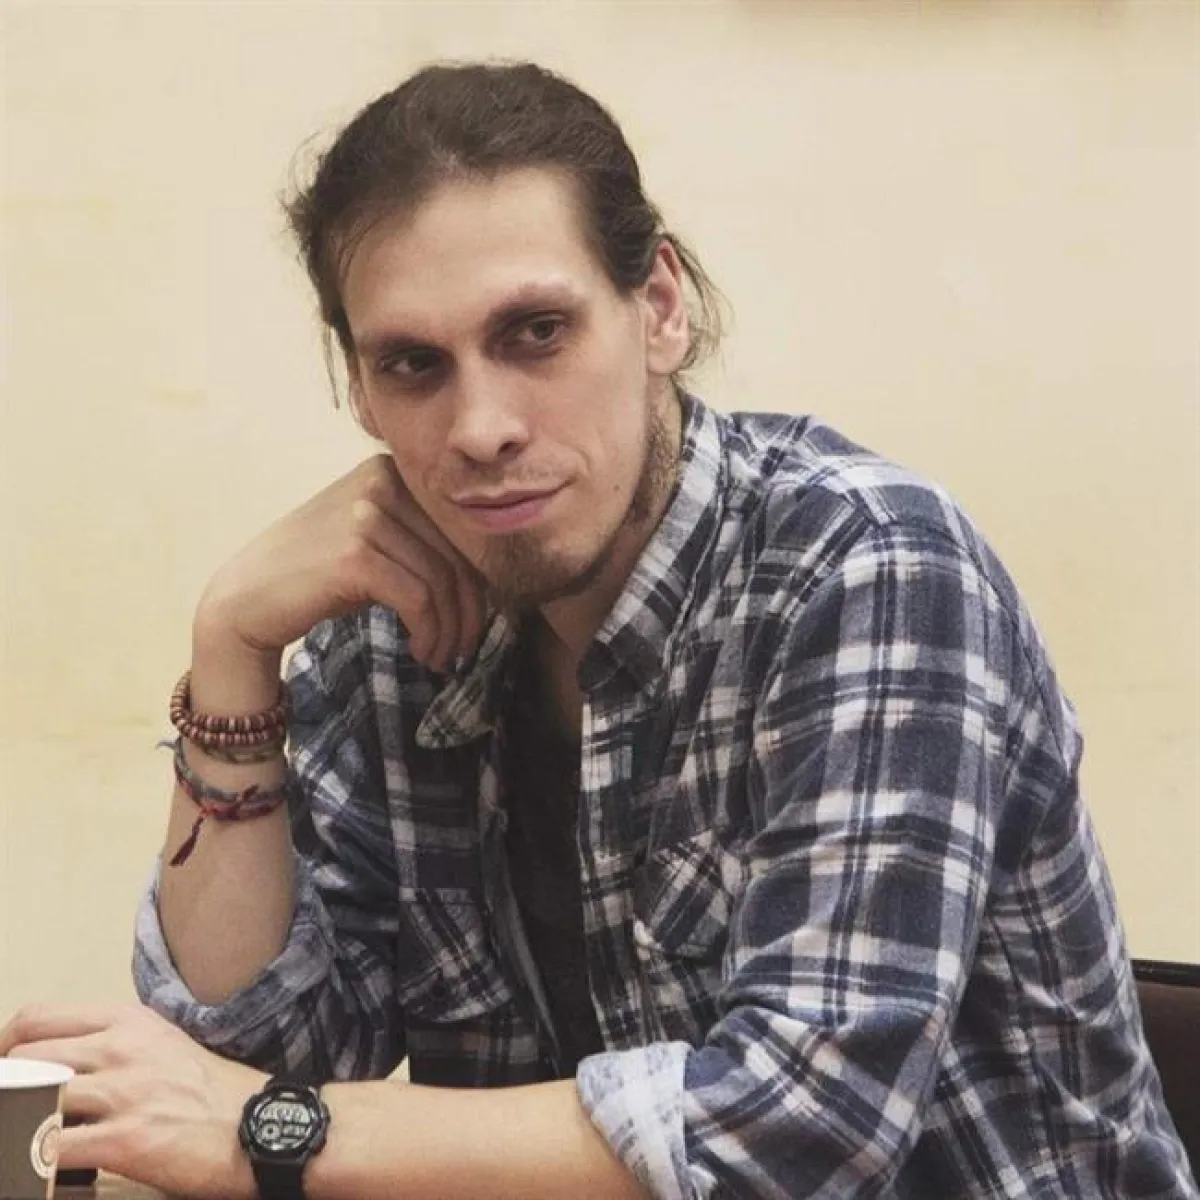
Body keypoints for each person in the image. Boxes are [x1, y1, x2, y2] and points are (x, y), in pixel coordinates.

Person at [1, 60, 1194, 1200]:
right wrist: (231, 648)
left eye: (535, 332)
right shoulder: (392, 624)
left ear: (659, 308)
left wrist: (270, 1128)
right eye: (413, 364)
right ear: (359, 389)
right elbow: (254, 1057)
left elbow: (799, 1136)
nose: (480, 427)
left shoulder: (863, 564)